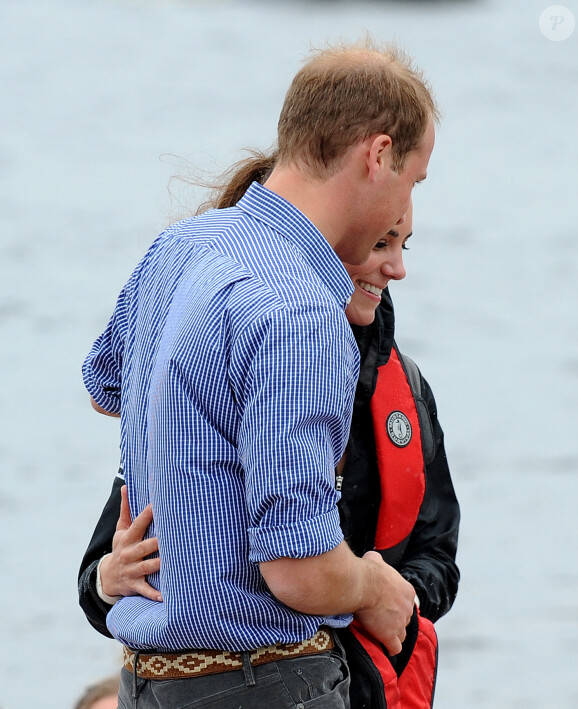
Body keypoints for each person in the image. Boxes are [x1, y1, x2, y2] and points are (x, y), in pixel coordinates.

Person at [82, 40, 438, 708]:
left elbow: (106, 386)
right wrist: (373, 585)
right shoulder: (301, 309)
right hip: (264, 683)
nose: (403, 210)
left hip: (147, 680)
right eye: (413, 181)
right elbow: (299, 571)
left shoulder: (180, 247)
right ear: (379, 154)